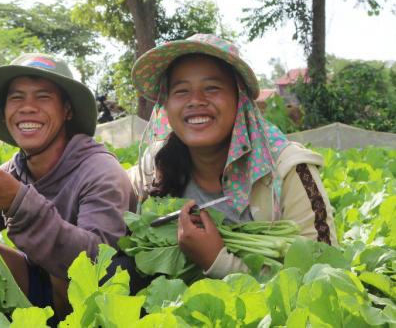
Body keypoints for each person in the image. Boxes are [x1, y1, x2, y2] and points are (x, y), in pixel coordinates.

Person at [0, 53, 136, 320]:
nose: (27, 107)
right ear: (4, 113)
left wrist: (19, 202)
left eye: (43, 97)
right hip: (43, 291)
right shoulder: (13, 171)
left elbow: (97, 264)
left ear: (67, 110)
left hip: (102, 308)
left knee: (69, 277)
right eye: (16, 97)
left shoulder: (101, 172)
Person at [129, 34, 337, 278]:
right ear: (166, 105)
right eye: (181, 90)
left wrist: (218, 261)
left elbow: (325, 279)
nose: (196, 100)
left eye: (212, 88)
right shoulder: (154, 167)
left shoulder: (286, 169)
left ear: (240, 99)